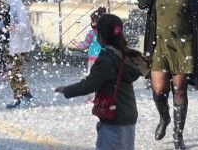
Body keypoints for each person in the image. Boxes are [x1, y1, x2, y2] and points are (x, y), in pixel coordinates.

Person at [55, 14, 147, 150]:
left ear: (100, 36)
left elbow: (90, 84)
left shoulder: (107, 59)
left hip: (113, 116)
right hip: (128, 113)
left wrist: (67, 90)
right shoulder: (125, 55)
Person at [137, 0, 198, 149]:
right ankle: (164, 118)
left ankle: (178, 135)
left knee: (179, 89)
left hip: (183, 45)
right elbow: (141, 3)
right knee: (158, 89)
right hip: (159, 46)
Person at [1, 0, 34, 109]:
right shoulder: (14, 5)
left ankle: (18, 97)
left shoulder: (18, 6)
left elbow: (23, 26)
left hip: (19, 45)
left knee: (13, 72)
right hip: (16, 45)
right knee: (15, 71)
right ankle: (26, 94)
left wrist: (13, 28)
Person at [72, 7, 107, 73]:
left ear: (96, 22)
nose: (91, 22)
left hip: (93, 59)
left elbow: (85, 45)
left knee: (93, 76)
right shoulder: (108, 33)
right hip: (105, 58)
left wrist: (78, 45)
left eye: (92, 21)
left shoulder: (91, 33)